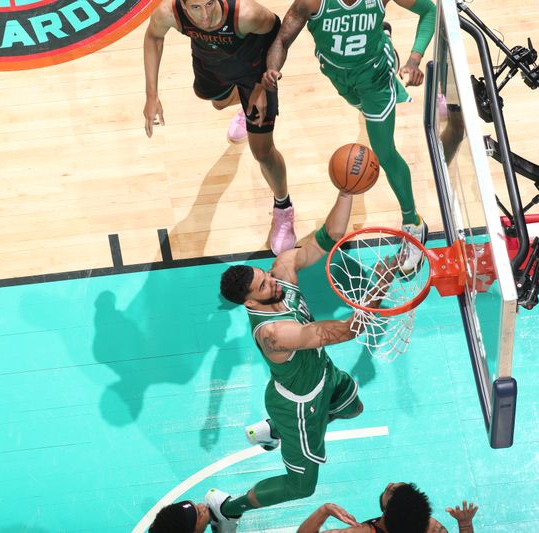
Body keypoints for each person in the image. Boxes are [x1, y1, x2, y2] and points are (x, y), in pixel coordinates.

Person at [203, 188, 399, 532]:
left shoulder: (280, 273)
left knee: (353, 409)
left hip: (323, 375)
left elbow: (328, 236)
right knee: (301, 485)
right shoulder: (273, 334)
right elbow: (341, 332)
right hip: (300, 404)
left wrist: (345, 190)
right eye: (263, 287)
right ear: (249, 302)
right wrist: (380, 282)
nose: (272, 283)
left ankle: (272, 431)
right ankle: (227, 510)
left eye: (265, 276)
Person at [263, 0, 437, 273]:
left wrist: (414, 60)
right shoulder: (311, 3)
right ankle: (383, 35)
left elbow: (430, 10)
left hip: (376, 77)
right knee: (361, 107)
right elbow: (282, 40)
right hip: (339, 76)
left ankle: (413, 222)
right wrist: (272, 68)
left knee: (384, 152)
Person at [142, 0, 297, 254]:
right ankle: (242, 106)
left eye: (210, 4)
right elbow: (153, 37)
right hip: (212, 67)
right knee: (216, 103)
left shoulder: (246, 14)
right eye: (195, 8)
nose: (205, 16)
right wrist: (151, 96)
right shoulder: (169, 13)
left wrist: (260, 86)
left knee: (262, 153)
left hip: (254, 74)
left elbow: (277, 36)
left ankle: (283, 207)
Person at [296, 482, 479, 533]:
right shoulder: (431, 527)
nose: (390, 483)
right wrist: (464, 525)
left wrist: (325, 509)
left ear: (387, 512)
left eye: (389, 490)